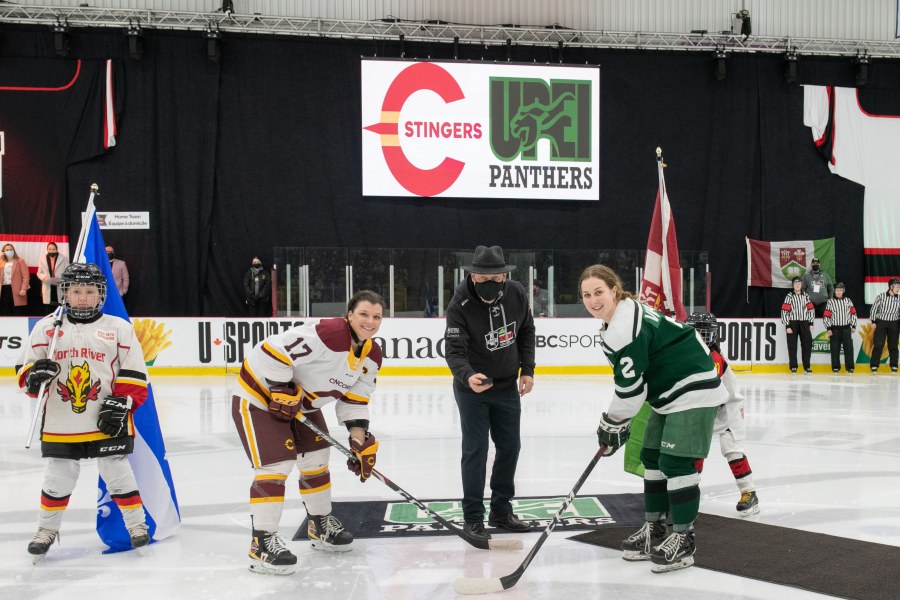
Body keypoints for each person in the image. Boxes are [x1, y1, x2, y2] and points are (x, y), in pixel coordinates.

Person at [581, 264, 726, 573]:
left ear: (614, 290)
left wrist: (611, 422)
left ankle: (684, 537)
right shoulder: (617, 321)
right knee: (651, 457)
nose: (593, 300)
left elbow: (631, 390)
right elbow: (636, 383)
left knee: (676, 463)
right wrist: (616, 422)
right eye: (586, 295)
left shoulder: (623, 326)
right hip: (667, 393)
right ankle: (655, 529)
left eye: (599, 292)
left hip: (692, 386)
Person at [231, 290, 385, 575]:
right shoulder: (329, 333)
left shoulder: (372, 354)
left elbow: (356, 399)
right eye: (364, 314)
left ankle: (319, 524)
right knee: (276, 465)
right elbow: (272, 351)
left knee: (316, 459)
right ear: (349, 314)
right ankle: (261, 543)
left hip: (299, 402)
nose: (370, 321)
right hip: (258, 397)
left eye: (376, 316)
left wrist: (358, 441)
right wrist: (279, 388)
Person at [16, 263, 150, 562]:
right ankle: (46, 530)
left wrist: (123, 401)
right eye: (76, 291)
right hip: (60, 420)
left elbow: (136, 373)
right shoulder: (46, 328)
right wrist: (36, 375)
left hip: (107, 418)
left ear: (100, 294)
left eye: (90, 291)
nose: (83, 298)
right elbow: (25, 373)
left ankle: (136, 525)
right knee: (58, 478)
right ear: (65, 293)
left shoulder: (118, 327)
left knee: (118, 474)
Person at [444, 245, 536, 542]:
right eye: (483, 278)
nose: (491, 283)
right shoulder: (459, 304)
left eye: (497, 278)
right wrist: (468, 376)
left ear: (505, 276)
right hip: (473, 389)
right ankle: (472, 517)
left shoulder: (517, 292)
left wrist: (528, 370)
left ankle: (501, 510)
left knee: (510, 447)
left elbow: (526, 330)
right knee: (476, 450)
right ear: (472, 275)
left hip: (507, 385)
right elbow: (454, 351)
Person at [685, 312, 760, 517]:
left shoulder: (714, 358)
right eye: (695, 333)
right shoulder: (687, 354)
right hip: (705, 408)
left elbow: (700, 387)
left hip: (726, 408)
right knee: (695, 450)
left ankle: (749, 492)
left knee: (731, 448)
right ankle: (689, 492)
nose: (699, 338)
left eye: (703, 333)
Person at [782, 276, 815, 375]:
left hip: (804, 322)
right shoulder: (789, 296)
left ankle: (807, 366)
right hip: (792, 323)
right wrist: (787, 325)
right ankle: (793, 367)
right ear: (793, 285)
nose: (797, 285)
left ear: (801, 285)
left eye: (799, 284)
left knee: (807, 345)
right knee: (792, 345)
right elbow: (784, 311)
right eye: (796, 284)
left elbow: (811, 310)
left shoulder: (806, 295)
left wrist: (811, 323)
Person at [823, 282, 858, 374]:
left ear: (843, 291)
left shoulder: (848, 301)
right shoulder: (830, 302)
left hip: (846, 328)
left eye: (840, 290)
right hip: (835, 329)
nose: (839, 292)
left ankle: (850, 367)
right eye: (837, 290)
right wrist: (828, 328)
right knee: (835, 349)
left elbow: (853, 313)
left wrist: (853, 325)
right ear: (834, 291)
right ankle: (835, 367)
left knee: (849, 349)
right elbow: (826, 316)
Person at [868, 278, 900, 374]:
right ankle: (874, 365)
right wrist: (873, 322)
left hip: (894, 323)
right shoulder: (881, 296)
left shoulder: (899, 298)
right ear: (891, 287)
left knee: (893, 345)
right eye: (897, 287)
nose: (898, 289)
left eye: (899, 287)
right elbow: (874, 309)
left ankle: (894, 365)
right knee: (878, 344)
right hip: (881, 322)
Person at [36, 242, 70, 311]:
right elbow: (39, 273)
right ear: (47, 250)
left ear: (57, 249)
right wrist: (45, 278)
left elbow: (68, 272)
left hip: (59, 285)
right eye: (50, 249)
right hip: (48, 285)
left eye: (53, 249)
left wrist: (60, 280)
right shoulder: (42, 259)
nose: (51, 251)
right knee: (48, 308)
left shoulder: (63, 258)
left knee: (59, 307)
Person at [1, 242, 30, 316]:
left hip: (17, 290)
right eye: (7, 250)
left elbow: (26, 276)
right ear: (3, 252)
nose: (9, 251)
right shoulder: (1, 262)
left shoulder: (20, 261)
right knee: (5, 311)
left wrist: (24, 288)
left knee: (18, 311)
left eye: (11, 249)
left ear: (14, 250)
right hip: (4, 289)